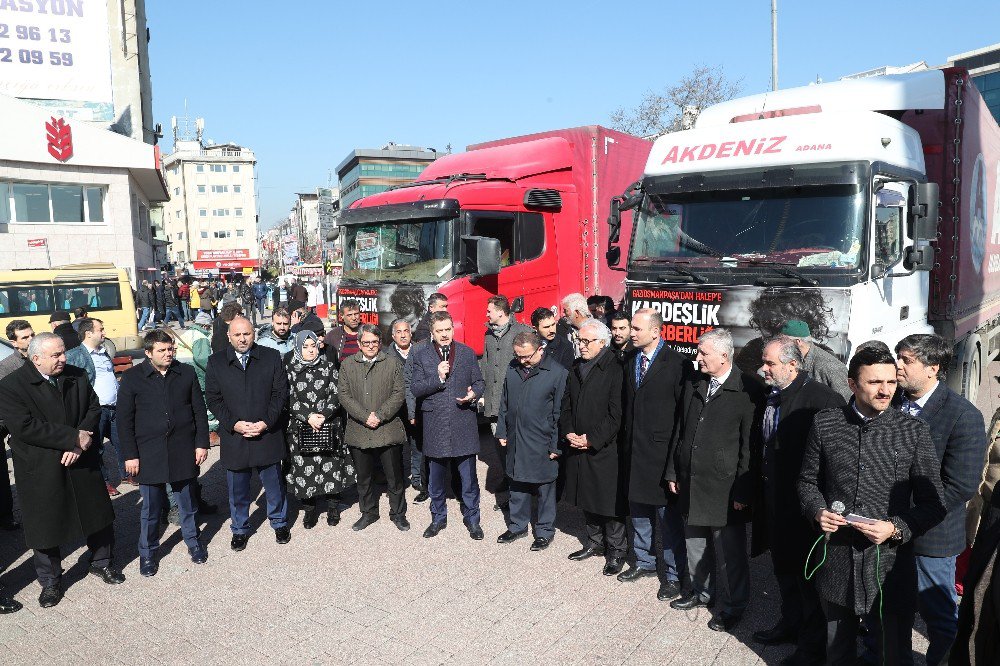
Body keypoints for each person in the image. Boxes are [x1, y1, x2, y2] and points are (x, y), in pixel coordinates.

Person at [797, 346, 946, 665]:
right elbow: (807, 482)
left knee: (893, 655)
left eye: (891, 382)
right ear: (851, 384)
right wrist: (817, 511)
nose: (885, 390)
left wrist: (896, 528)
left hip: (889, 570)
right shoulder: (826, 424)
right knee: (837, 653)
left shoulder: (913, 431)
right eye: (875, 382)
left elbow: (934, 504)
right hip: (837, 564)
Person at [0, 333, 124, 608]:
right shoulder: (11, 386)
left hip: (81, 458)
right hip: (41, 466)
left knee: (97, 514)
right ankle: (51, 582)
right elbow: (24, 427)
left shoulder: (76, 375)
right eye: (55, 355)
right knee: (45, 526)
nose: (63, 359)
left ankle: (101, 562)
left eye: (62, 352)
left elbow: (93, 407)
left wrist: (82, 440)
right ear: (36, 359)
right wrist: (71, 438)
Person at [891, 334, 987, 666]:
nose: (897, 366)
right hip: (885, 531)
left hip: (931, 537)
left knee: (940, 617)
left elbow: (959, 486)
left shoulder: (963, 416)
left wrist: (908, 521)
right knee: (891, 609)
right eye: (897, 357)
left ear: (933, 368)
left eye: (906, 360)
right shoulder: (890, 401)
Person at [750, 336, 845, 661]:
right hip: (776, 505)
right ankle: (788, 625)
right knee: (785, 572)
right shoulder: (775, 394)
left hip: (805, 513)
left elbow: (835, 462)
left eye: (769, 364)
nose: (763, 369)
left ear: (792, 366)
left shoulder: (821, 400)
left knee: (809, 583)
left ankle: (810, 649)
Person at [665, 328, 758, 633]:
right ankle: (702, 593)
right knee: (695, 544)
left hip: (726, 488)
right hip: (691, 481)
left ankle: (733, 606)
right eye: (698, 351)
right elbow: (679, 431)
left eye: (704, 353)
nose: (698, 357)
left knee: (730, 553)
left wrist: (744, 489)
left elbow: (749, 446)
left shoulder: (747, 389)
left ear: (724, 355)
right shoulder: (696, 382)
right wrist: (673, 472)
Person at [117, 329, 210, 576]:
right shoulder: (133, 377)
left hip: (182, 448)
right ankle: (147, 554)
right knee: (151, 509)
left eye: (170, 349)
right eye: (162, 350)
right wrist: (130, 455)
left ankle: (193, 542)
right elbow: (124, 420)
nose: (168, 354)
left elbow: (198, 411)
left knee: (187, 503)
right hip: (149, 452)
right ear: (148, 353)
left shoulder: (185, 373)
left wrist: (201, 443)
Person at [618, 308, 689, 601]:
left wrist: (674, 464)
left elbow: (681, 417)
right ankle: (645, 562)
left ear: (656, 331)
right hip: (634, 453)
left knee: (668, 521)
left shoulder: (677, 364)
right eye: (631, 328)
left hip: (661, 457)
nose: (631, 333)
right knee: (639, 515)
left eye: (636, 329)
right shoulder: (631, 359)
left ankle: (673, 575)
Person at [205, 316, 291, 551]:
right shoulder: (216, 362)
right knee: (238, 489)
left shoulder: (271, 357)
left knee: (274, 485)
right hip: (236, 436)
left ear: (254, 333)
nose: (243, 339)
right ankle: (240, 528)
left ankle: (279, 522)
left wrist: (265, 422)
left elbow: (279, 393)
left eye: (247, 334)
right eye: (238, 335)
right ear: (229, 337)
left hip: (266, 432)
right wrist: (234, 424)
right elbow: (213, 398)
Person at [560, 318, 627, 575]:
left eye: (587, 341)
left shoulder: (615, 368)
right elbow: (566, 406)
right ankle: (595, 542)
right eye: (580, 340)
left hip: (604, 448)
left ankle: (617, 550)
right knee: (586, 495)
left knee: (609, 502)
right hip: (577, 444)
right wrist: (569, 432)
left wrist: (591, 439)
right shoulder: (577, 366)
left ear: (602, 342)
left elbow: (616, 415)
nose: (582, 345)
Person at [410, 311, 485, 539]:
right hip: (435, 424)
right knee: (436, 479)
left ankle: (473, 519)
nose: (444, 335)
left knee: (469, 479)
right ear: (432, 333)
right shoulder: (421, 355)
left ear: (453, 329)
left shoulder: (466, 352)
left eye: (447, 330)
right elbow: (416, 388)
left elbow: (479, 382)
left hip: (463, 421)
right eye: (439, 331)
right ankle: (438, 518)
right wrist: (438, 378)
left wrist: (474, 394)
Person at [495, 331, 568, 551]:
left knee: (545, 488)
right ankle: (517, 526)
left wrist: (556, 445)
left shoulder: (557, 373)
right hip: (517, 437)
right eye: (518, 356)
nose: (522, 360)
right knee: (517, 483)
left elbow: (560, 413)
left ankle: (544, 531)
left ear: (540, 349)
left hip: (542, 440)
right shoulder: (513, 367)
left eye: (526, 356)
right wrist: (502, 431)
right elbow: (504, 401)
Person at [337, 324, 409, 532]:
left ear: (380, 342)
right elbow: (344, 394)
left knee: (394, 477)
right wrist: (364, 416)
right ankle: (368, 512)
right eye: (366, 342)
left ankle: (398, 514)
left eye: (374, 342)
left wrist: (379, 415)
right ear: (359, 343)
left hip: (388, 428)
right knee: (364, 477)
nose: (370, 346)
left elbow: (399, 393)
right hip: (360, 429)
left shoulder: (392, 363)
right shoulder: (348, 365)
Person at [284, 331, 355, 529]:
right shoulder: (290, 369)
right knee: (304, 468)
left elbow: (337, 392)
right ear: (298, 348)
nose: (309, 350)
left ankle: (333, 506)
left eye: (313, 346)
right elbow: (288, 398)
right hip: (301, 426)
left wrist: (323, 414)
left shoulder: (328, 367)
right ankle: (309, 509)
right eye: (305, 347)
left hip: (328, 424)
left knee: (331, 465)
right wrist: (308, 416)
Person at [66, 318, 132, 495]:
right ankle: (104, 481)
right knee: (97, 448)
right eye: (100, 329)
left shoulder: (103, 352)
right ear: (89, 333)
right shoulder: (75, 355)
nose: (104, 332)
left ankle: (127, 473)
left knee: (123, 441)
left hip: (115, 407)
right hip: (96, 410)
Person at [480, 295, 533, 509]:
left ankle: (518, 492)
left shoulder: (522, 332)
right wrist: (482, 393)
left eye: (489, 310)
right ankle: (508, 479)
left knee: (517, 448)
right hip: (494, 402)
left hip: (515, 402)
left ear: (501, 312)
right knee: (499, 445)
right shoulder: (488, 335)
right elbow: (485, 364)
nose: (487, 314)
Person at [0, 320, 34, 532]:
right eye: (25, 337)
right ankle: (6, 516)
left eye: (32, 335)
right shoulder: (7, 368)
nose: (31, 340)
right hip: (19, 427)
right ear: (14, 343)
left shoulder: (44, 358)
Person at [780, 320, 850, 400]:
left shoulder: (830, 367)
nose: (780, 346)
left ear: (798, 342)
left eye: (783, 342)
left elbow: (845, 402)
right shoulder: (792, 359)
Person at [388, 319, 420, 491]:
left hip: (416, 406)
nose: (402, 335)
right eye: (398, 332)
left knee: (417, 445)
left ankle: (417, 477)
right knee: (396, 447)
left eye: (405, 331)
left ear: (410, 333)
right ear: (393, 336)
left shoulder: (420, 351)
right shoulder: (387, 356)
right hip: (397, 409)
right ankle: (398, 480)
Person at [324, 299, 363, 363]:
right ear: (341, 316)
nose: (353, 318)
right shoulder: (332, 336)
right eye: (349, 315)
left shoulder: (368, 333)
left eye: (356, 314)